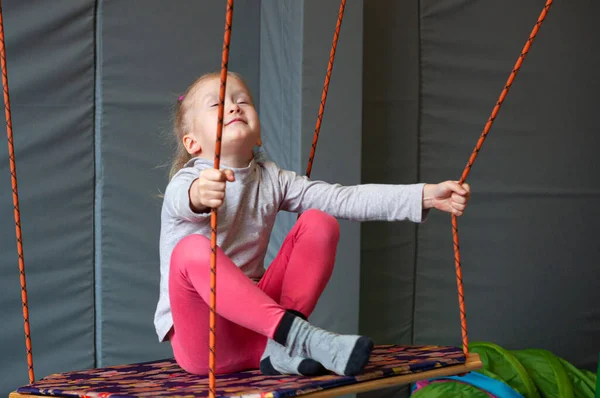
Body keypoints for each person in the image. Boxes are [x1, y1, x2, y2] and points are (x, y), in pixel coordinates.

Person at [153, 71, 471, 378]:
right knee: (190, 250)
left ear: (259, 132)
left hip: (260, 333)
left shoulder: (273, 180)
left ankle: (284, 342)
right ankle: (301, 337)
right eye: (216, 104)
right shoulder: (188, 182)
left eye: (242, 101)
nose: (234, 106)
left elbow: (346, 199)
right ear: (192, 143)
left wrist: (425, 196)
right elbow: (183, 199)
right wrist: (199, 194)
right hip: (205, 343)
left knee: (320, 222)